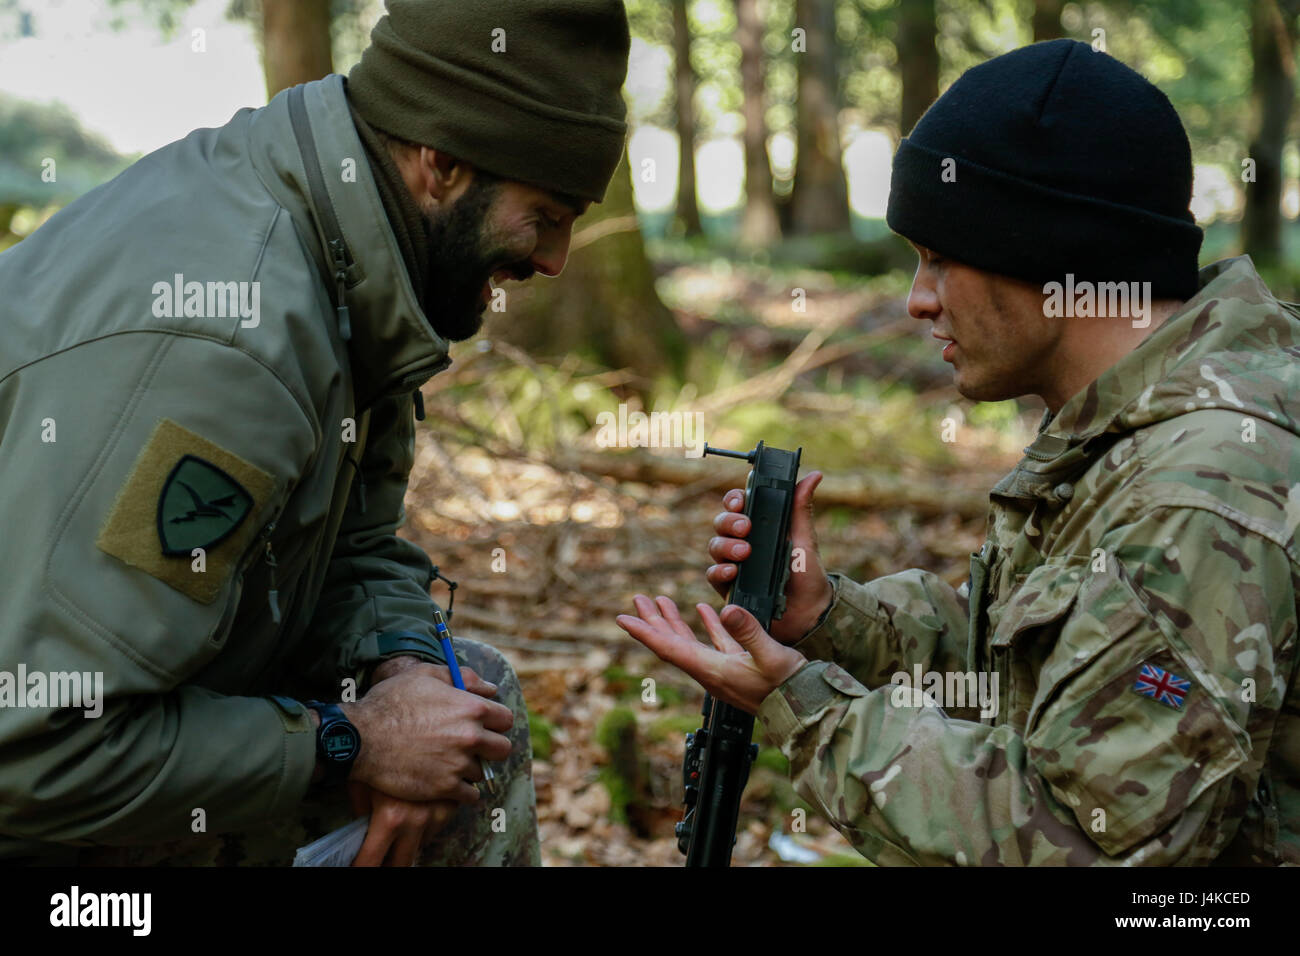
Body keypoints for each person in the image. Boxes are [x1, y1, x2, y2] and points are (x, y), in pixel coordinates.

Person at [618, 39, 1300, 865]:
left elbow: (1085, 847)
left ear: (1052, 256)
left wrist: (802, 705)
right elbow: (1041, 686)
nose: (916, 300)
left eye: (940, 258)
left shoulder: (1199, 488)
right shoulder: (1133, 422)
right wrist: (830, 620)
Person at [0, 0, 631, 866]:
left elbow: (354, 546)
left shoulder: (354, 255)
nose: (555, 260)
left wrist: (400, 673)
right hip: (43, 795)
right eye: (546, 215)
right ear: (440, 162)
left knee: (466, 712)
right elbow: (38, 748)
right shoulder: (229, 350)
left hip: (136, 713)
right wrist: (348, 742)